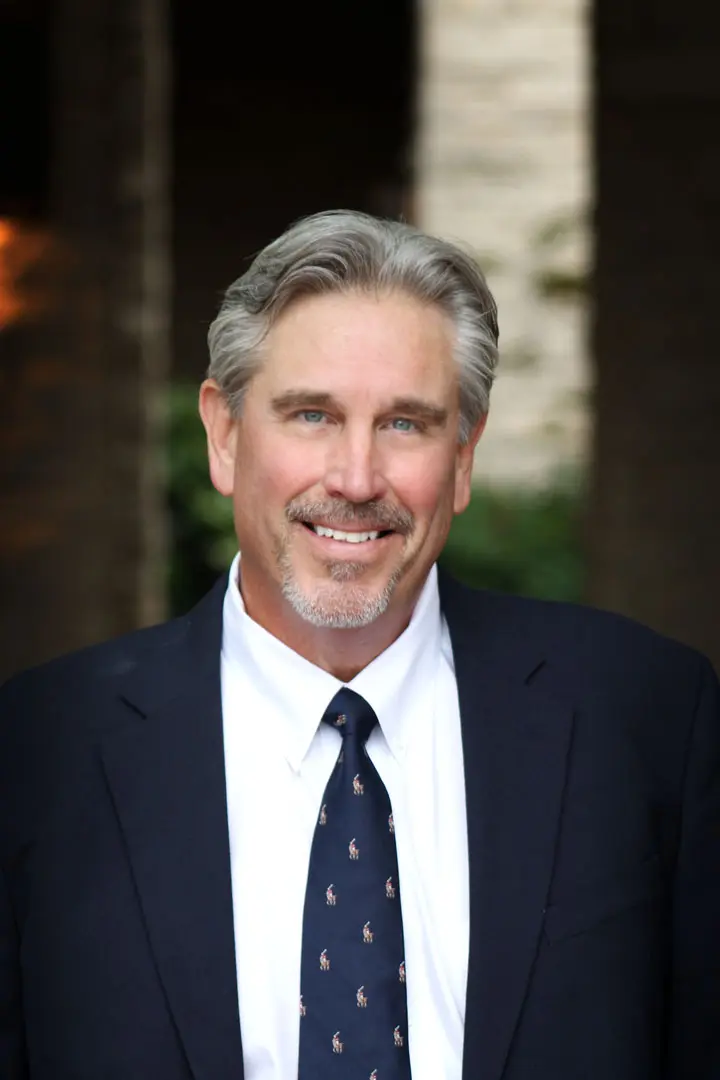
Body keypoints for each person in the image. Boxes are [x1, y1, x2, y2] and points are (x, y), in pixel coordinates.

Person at [0, 210, 718, 1080]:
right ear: (224, 434)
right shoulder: (37, 752)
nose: (356, 478)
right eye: (311, 415)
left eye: (406, 424)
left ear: (462, 459)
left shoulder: (648, 717)